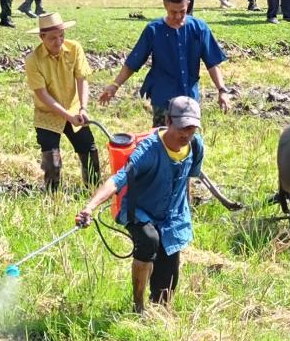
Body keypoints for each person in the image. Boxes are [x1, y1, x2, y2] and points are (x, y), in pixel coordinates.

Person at [75, 96, 206, 314]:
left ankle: (158, 311)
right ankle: (138, 305)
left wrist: (186, 211)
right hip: (141, 211)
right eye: (183, 127)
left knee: (166, 284)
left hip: (172, 216)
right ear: (168, 120)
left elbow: (188, 180)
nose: (187, 134)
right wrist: (90, 207)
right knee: (149, 240)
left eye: (192, 128)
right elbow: (117, 180)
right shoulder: (149, 149)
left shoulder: (195, 145)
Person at [98, 0, 230, 125]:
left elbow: (212, 63)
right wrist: (115, 85)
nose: (178, 16)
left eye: (182, 11)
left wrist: (222, 90)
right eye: (173, 12)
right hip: (163, 97)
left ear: (188, 4)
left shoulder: (200, 28)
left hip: (189, 98)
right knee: (162, 138)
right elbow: (133, 62)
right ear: (165, 5)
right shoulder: (154, 30)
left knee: (189, 139)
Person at [25, 12, 101, 192]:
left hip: (75, 109)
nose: (58, 42)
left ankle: (93, 193)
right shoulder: (33, 60)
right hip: (48, 114)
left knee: (89, 152)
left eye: (61, 36)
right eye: (52, 38)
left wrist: (83, 108)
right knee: (52, 162)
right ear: (41, 37)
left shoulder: (74, 49)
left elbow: (82, 79)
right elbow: (42, 95)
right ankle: (52, 197)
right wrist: (67, 116)